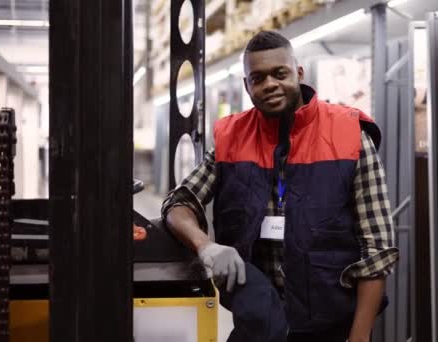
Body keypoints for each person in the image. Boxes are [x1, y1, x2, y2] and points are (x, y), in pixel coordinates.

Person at [162, 30, 398, 342]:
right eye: (257, 78)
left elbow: (377, 250)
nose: (269, 84)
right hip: (256, 325)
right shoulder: (231, 139)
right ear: (247, 86)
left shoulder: (348, 134)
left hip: (330, 328)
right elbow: (178, 204)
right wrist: (205, 245)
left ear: (298, 73)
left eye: (279, 73)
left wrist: (358, 338)